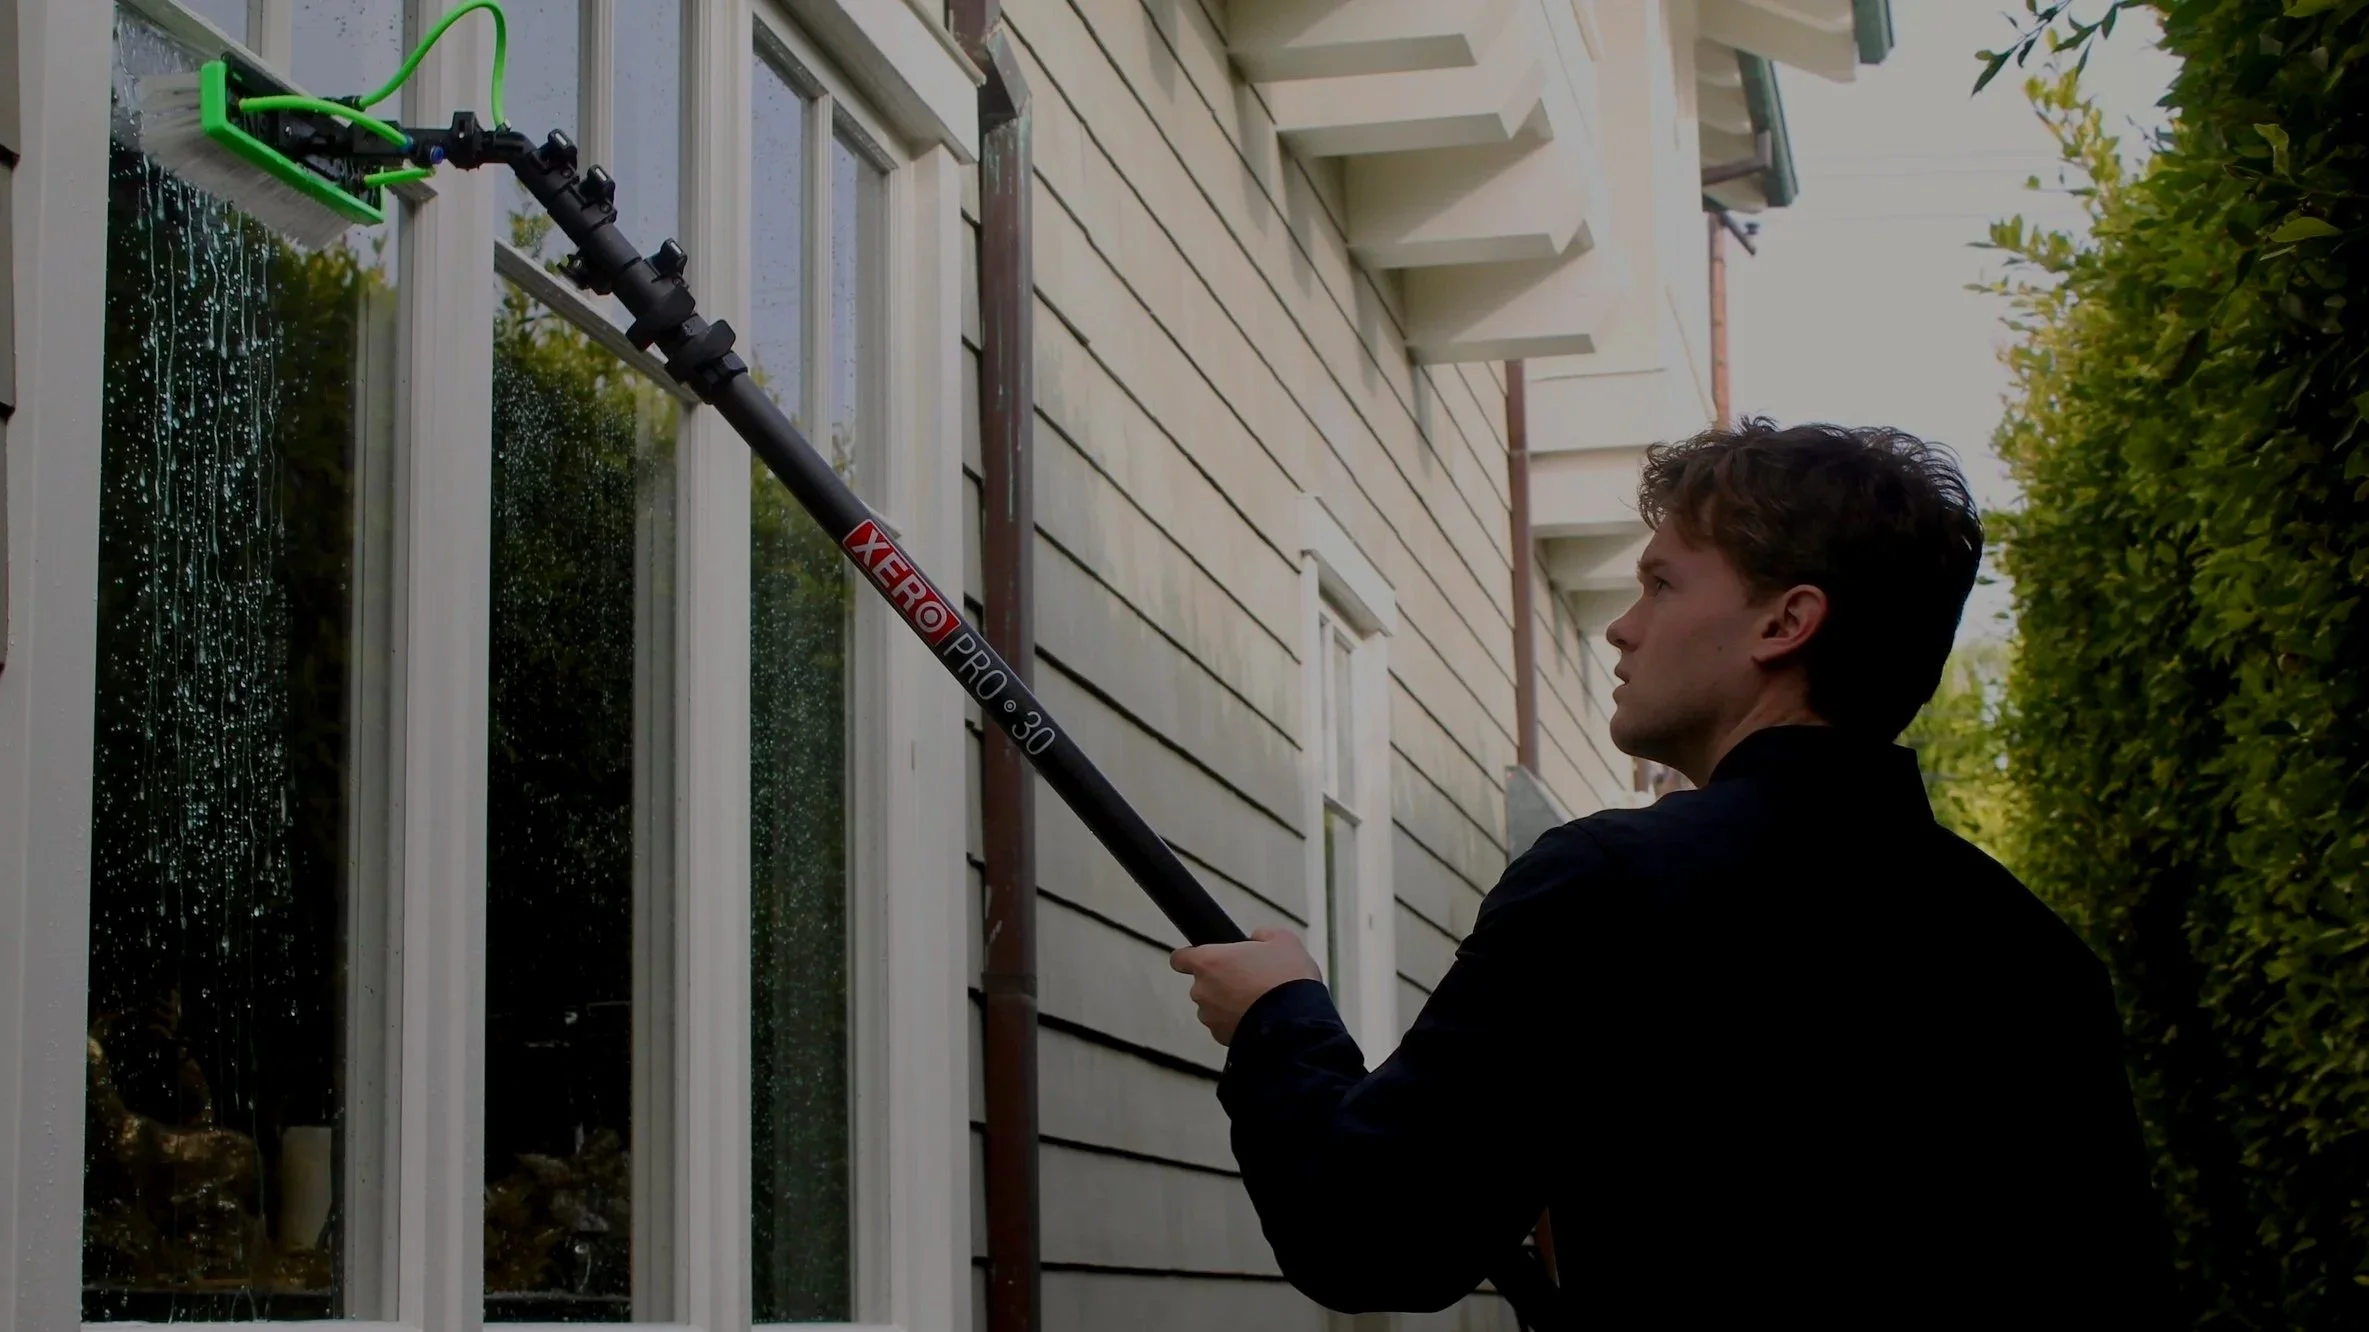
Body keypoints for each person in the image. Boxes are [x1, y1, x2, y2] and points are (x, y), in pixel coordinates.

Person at [1171, 419, 2174, 1328]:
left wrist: (1278, 1024)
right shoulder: (2039, 958)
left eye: (1660, 583)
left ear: (1785, 624)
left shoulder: (1610, 884)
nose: (1621, 626)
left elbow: (1373, 1234)